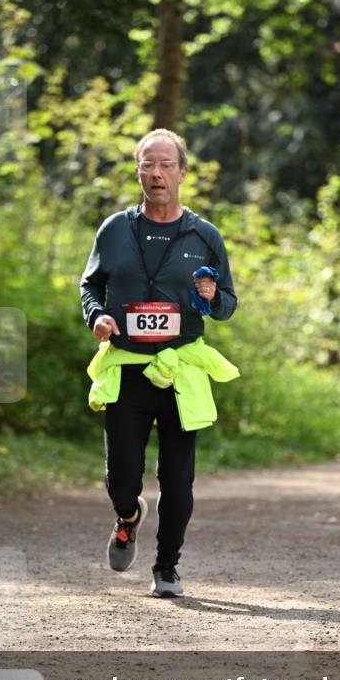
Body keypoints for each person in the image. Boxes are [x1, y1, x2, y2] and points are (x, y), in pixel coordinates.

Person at [79, 129, 238, 597]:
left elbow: (227, 305)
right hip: (127, 366)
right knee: (121, 476)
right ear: (137, 171)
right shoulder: (114, 230)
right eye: (148, 164)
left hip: (180, 371)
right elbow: (90, 285)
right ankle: (128, 516)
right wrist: (98, 315)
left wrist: (211, 297)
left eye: (167, 165)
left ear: (183, 173)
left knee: (177, 480)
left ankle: (166, 568)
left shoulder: (204, 235)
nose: (157, 174)